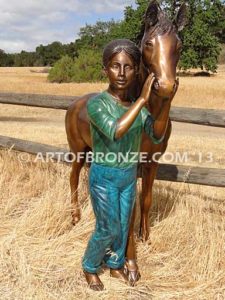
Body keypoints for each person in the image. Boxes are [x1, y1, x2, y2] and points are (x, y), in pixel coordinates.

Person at [82, 39, 165, 291]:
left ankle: (116, 263)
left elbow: (157, 134)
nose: (121, 73)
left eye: (128, 67)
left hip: (128, 174)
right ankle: (90, 266)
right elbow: (114, 130)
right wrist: (142, 100)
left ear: (135, 71)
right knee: (107, 227)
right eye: (115, 66)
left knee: (124, 223)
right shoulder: (97, 103)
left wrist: (166, 100)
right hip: (104, 176)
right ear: (105, 69)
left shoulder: (135, 108)